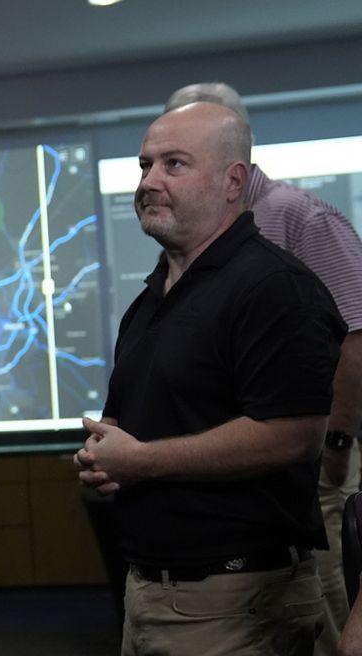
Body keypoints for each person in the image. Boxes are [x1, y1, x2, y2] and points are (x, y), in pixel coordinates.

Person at [74, 103, 344, 655]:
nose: (149, 181)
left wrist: (141, 460)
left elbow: (292, 434)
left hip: (236, 601)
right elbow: (139, 418)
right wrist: (105, 453)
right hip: (149, 594)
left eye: (174, 164)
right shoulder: (148, 303)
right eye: (144, 165)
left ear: (233, 181)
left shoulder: (275, 287)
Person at [165, 81, 362, 654]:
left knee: (333, 613)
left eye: (181, 152)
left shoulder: (301, 218)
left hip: (319, 462)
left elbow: (356, 335)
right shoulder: (208, 232)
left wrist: (338, 444)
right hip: (258, 473)